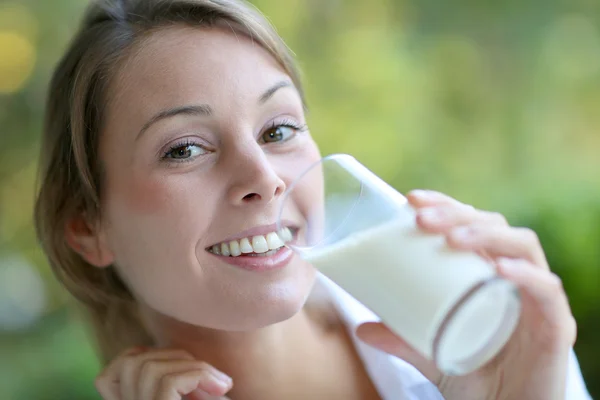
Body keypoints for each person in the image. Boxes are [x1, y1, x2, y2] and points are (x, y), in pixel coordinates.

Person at [34, 0, 592, 399]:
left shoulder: (489, 345)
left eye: (277, 131)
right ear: (88, 227)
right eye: (184, 149)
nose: (266, 177)